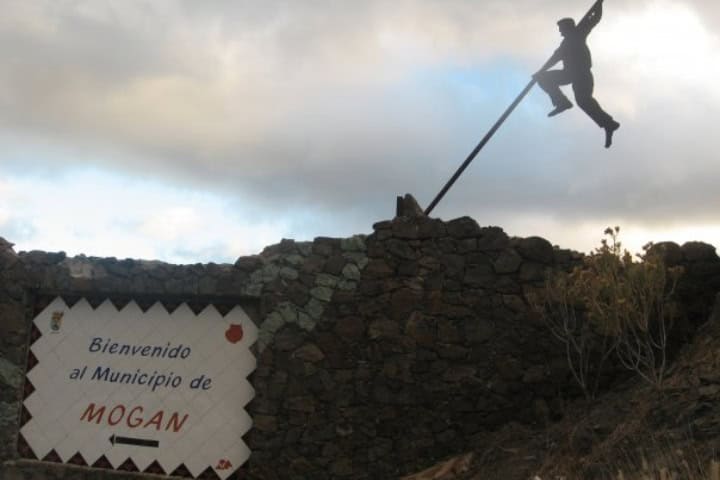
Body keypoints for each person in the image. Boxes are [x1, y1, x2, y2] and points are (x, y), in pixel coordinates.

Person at [534, 0, 620, 148]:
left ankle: (609, 124)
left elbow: (594, 19)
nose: (560, 32)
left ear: (568, 27)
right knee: (543, 78)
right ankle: (562, 102)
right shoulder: (565, 43)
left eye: (561, 28)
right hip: (569, 74)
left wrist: (599, 3)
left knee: (583, 101)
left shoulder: (578, 33)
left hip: (582, 74)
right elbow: (555, 58)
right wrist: (540, 72)